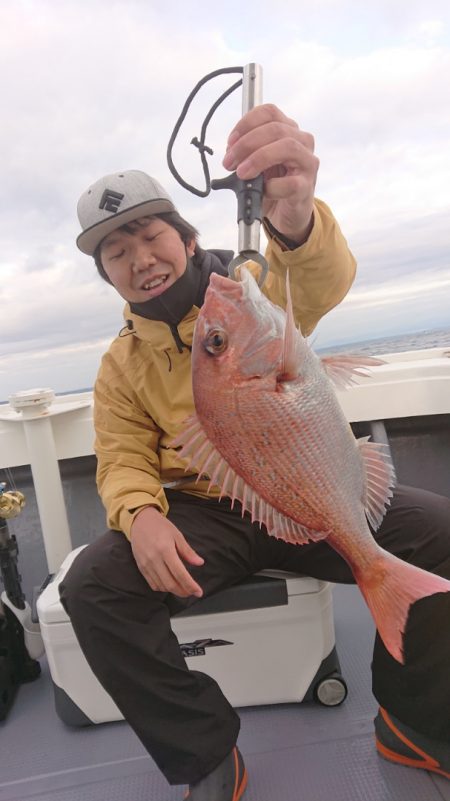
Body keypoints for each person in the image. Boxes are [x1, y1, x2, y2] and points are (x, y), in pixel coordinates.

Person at [60, 104, 450, 799]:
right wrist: (140, 512)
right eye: (115, 254)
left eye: (150, 235)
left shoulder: (253, 292)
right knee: (93, 588)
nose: (139, 260)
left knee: (444, 534)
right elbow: (120, 455)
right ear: (107, 275)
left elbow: (316, 273)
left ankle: (414, 722)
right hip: (210, 516)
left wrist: (294, 215)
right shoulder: (119, 366)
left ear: (183, 236)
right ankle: (206, 754)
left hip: (314, 491)